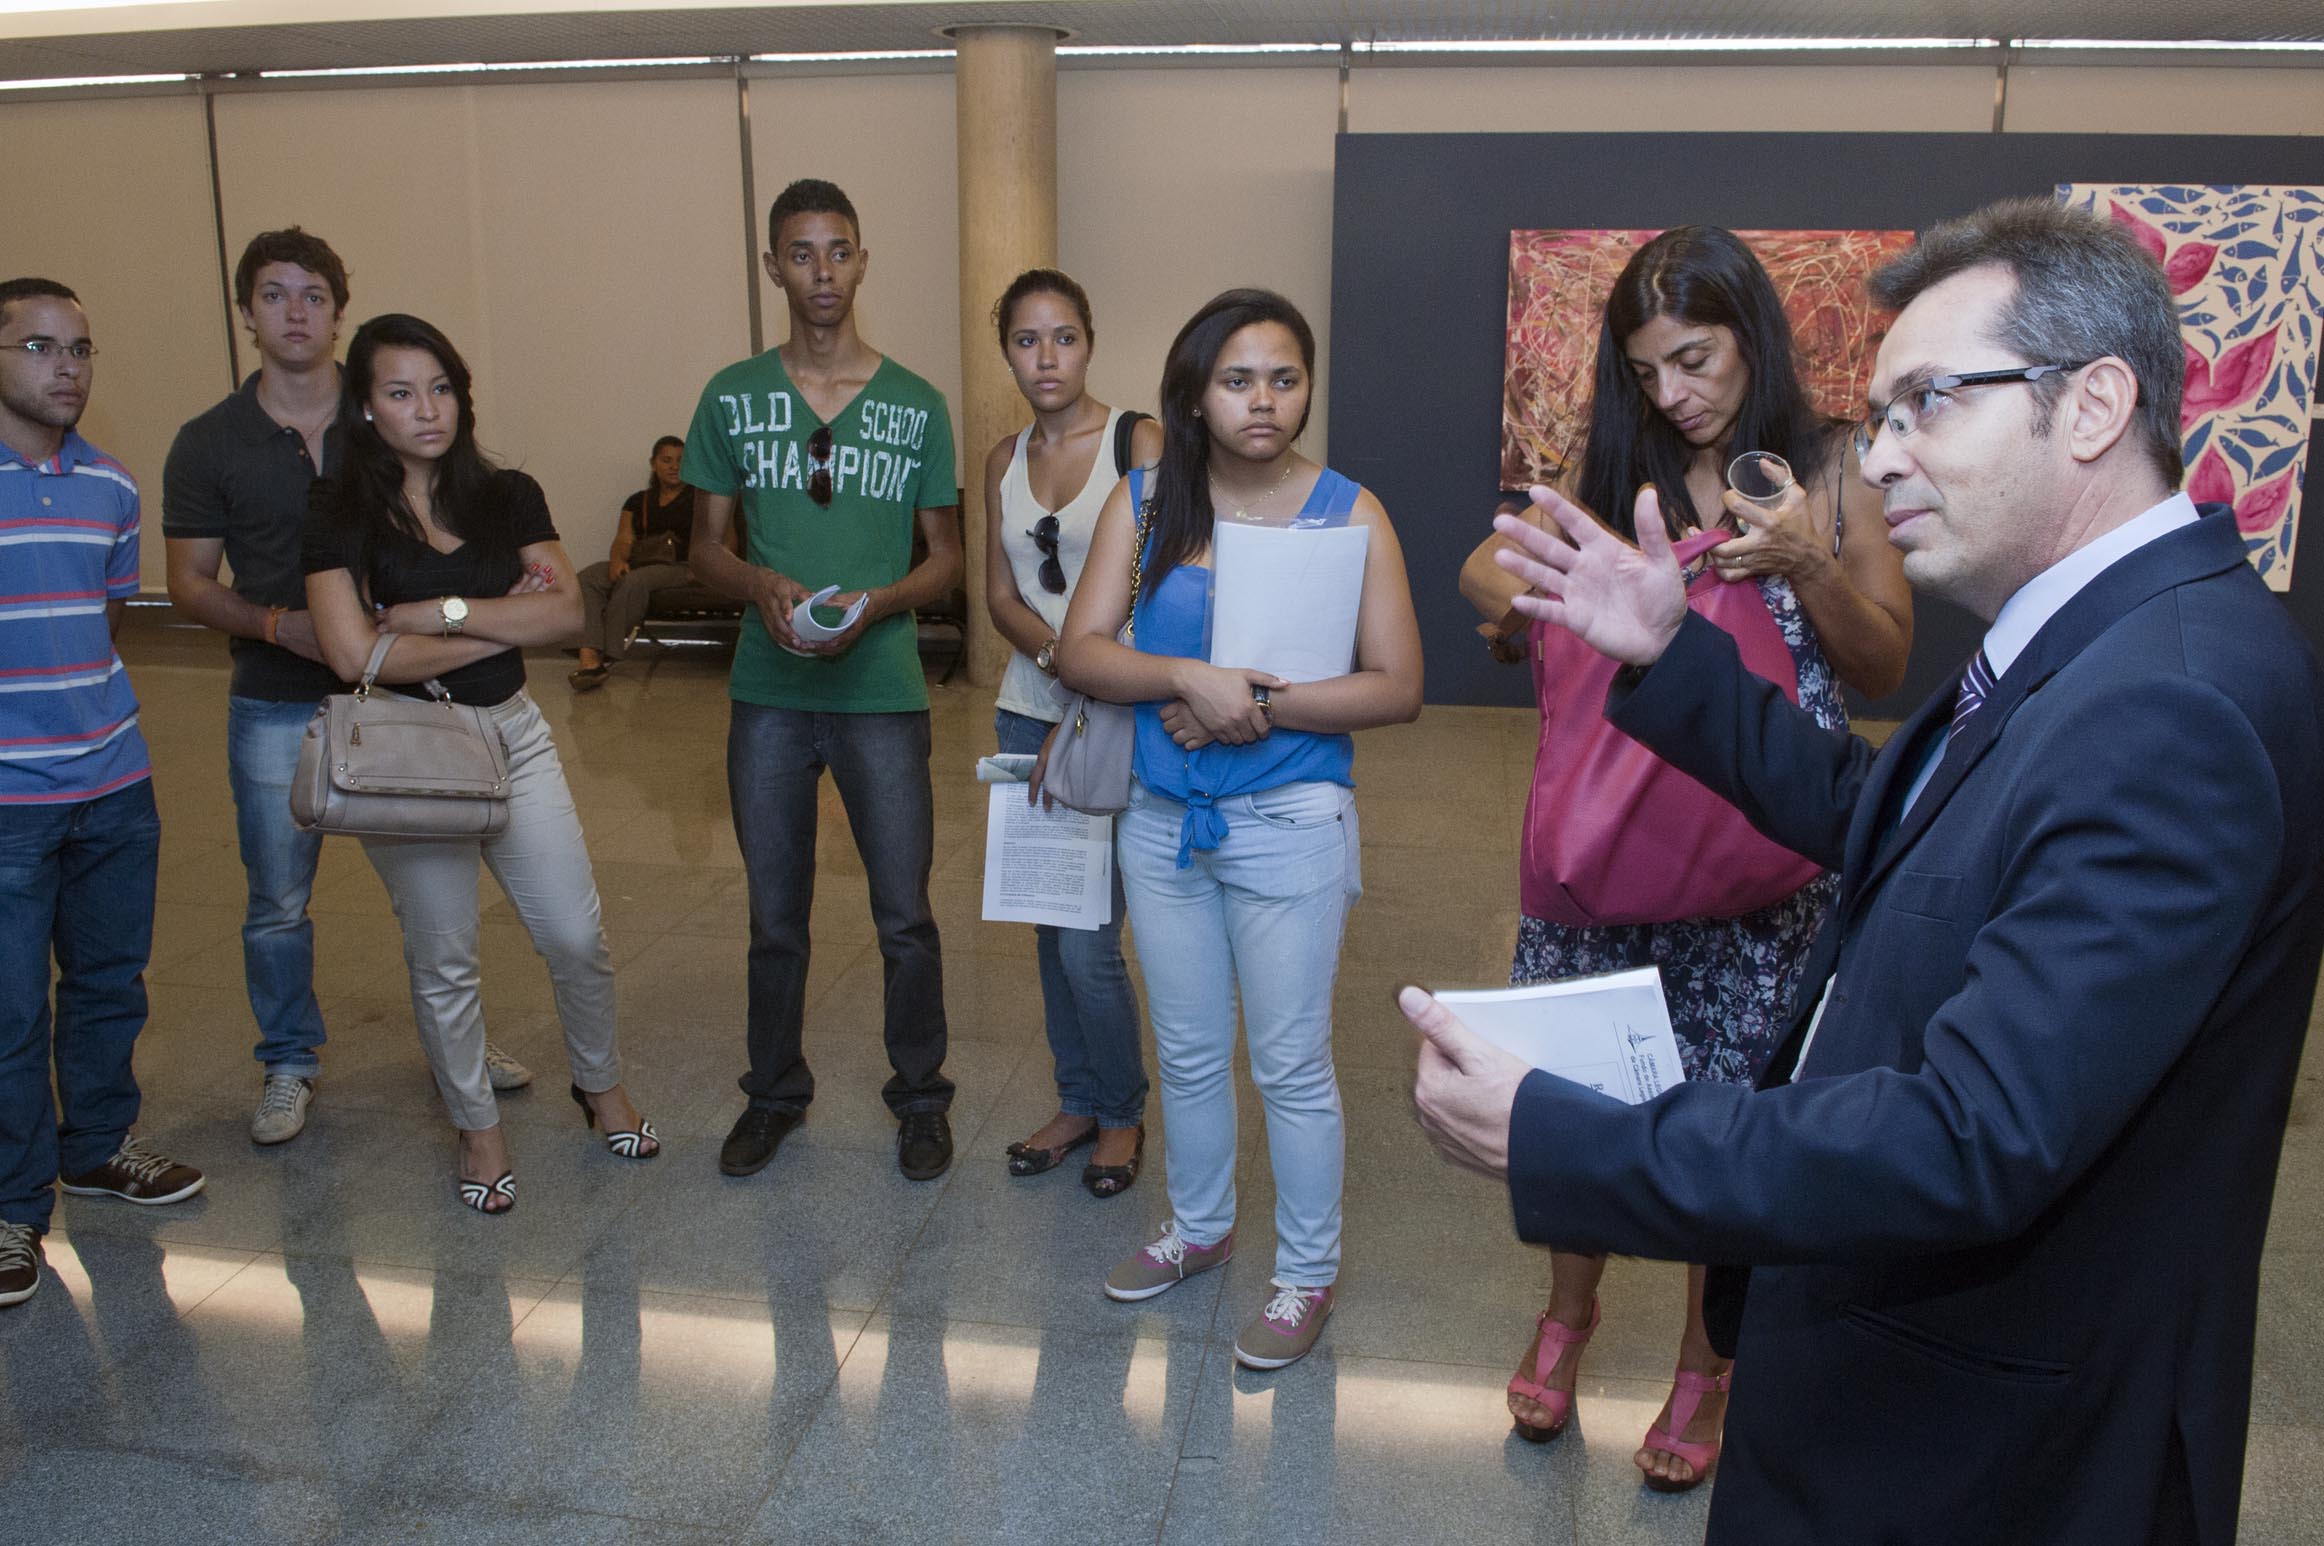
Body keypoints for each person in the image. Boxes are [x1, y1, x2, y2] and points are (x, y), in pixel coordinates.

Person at [1408, 197, 2324, 1544]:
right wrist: (1667, 656)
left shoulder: (2169, 704)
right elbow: (1881, 812)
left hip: (1980, 1440)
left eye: (1928, 404)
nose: (1883, 456)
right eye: (1883, 412)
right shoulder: (2101, 635)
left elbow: (1971, 1133)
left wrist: (1566, 1134)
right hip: (1910, 1376)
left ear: (2092, 405)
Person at [1456, 225, 1913, 1488]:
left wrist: (1805, 561)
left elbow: (1881, 660)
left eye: (1694, 359)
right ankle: (1566, 1315)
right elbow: (1482, 572)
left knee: (1734, 1123)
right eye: (1645, 368)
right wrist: (1529, 599)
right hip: (1605, 865)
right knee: (1577, 1102)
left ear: (1751, 336)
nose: (1671, 393)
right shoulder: (1617, 470)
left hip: (1763, 867)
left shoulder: (1830, 471)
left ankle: (1705, 1366)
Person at [1059, 288, 1422, 1369]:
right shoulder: (1145, 499)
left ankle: (1305, 1274)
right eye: (1236, 379)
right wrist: (1186, 676)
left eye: (1283, 378)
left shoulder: (1350, 512)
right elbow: (1081, 649)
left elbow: (1397, 684)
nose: (1262, 400)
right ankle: (1200, 1227)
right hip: (1161, 820)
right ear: (1195, 394)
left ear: (1307, 389)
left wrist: (1255, 703)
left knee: (1289, 1062)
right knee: (1184, 1049)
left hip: (1291, 822)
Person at [165, 228, 535, 1146]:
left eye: (314, 295)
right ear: (246, 312)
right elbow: (189, 583)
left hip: (402, 694)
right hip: (273, 697)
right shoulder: (208, 441)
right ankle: (289, 1062)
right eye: (274, 294)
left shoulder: (386, 415)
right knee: (277, 900)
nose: (295, 312)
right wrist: (273, 624)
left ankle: (457, 1046)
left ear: (339, 308)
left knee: (433, 895)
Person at [303, 313, 658, 1215]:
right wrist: (503, 617)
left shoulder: (507, 495)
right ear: (365, 408)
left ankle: (599, 1084)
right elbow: (352, 655)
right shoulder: (338, 508)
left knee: (575, 936)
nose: (427, 410)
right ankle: (477, 1127)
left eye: (441, 388)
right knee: (445, 955)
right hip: (410, 753)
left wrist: (436, 613)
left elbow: (569, 616)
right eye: (400, 392)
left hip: (514, 734)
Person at [684, 178, 963, 1182]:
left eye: (838, 251)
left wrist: (878, 604)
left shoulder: (916, 403)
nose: (822, 272)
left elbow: (946, 560)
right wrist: (760, 583)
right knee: (775, 917)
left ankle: (921, 1098)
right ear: (773, 267)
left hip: (881, 693)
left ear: (862, 261)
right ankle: (773, 1093)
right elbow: (702, 547)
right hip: (769, 692)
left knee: (904, 916)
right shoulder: (731, 395)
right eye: (800, 254)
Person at [0, 278, 205, 1310]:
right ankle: (11, 1206)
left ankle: (95, 1147)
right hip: (9, 802)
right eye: (39, 347)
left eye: (79, 348)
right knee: (7, 1012)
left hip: (114, 783)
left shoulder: (111, 486)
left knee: (109, 983)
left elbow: (103, 623)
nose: (67, 367)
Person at [982, 268, 1159, 1196]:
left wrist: (1087, 687)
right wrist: (1058, 663)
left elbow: (1162, 589)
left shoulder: (1139, 442)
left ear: (1089, 343)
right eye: (1026, 340)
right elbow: (999, 596)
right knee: (1049, 931)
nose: (1045, 357)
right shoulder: (1001, 460)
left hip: (1113, 715)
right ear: (1007, 352)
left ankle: (1122, 1112)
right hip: (1027, 707)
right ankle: (1077, 1099)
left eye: (1063, 337)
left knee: (1090, 939)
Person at [570, 435, 700, 690]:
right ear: (653, 463)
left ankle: (604, 656)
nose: (674, 466)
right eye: (666, 460)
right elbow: (624, 538)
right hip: (642, 561)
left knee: (634, 581)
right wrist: (617, 561)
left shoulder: (700, 499)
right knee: (587, 578)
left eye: (680, 461)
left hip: (681, 566)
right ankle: (588, 655)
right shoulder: (637, 501)